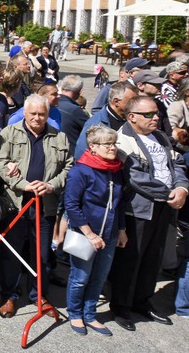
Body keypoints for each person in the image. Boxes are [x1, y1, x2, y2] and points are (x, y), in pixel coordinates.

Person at [109, 95, 189, 331]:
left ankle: (142, 301)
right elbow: (135, 178)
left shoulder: (161, 137)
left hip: (164, 207)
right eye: (149, 114)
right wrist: (170, 193)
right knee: (131, 259)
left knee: (153, 258)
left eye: (157, 114)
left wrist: (182, 188)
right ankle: (121, 306)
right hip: (139, 210)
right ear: (131, 117)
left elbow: (177, 165)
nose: (156, 118)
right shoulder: (123, 141)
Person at [0, 94, 73, 317]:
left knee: (43, 255)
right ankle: (9, 295)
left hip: (44, 205)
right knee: (11, 253)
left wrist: (50, 185)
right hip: (16, 205)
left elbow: (68, 167)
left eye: (42, 114)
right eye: (33, 114)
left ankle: (39, 294)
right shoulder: (9, 133)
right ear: (25, 113)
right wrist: (23, 185)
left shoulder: (60, 137)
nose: (38, 118)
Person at [63, 125, 128, 336]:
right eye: (107, 144)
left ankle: (90, 314)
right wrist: (89, 234)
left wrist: (121, 229)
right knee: (80, 276)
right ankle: (75, 313)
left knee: (99, 277)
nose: (112, 148)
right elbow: (71, 205)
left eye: (114, 143)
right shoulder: (80, 170)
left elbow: (118, 204)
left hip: (109, 232)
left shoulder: (116, 169)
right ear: (92, 147)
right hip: (85, 233)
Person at [58, 75, 89, 152]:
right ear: (79, 92)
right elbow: (90, 129)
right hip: (69, 152)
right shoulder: (76, 111)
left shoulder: (51, 104)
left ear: (62, 88)